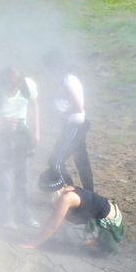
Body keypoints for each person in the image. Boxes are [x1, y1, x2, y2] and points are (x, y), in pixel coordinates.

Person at [0, 67, 40, 230]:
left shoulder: (28, 86)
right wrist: (2, 125)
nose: (12, 92)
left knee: (23, 178)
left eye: (15, 89)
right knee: (4, 180)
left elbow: (34, 105)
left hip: (22, 133)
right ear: (2, 84)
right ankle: (6, 217)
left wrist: (36, 130)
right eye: (9, 90)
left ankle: (24, 214)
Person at [20, 168, 124, 252]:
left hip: (109, 225)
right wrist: (38, 237)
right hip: (106, 217)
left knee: (69, 236)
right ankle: (96, 236)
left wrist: (35, 243)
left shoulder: (67, 198)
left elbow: (52, 226)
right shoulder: (67, 188)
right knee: (69, 228)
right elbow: (53, 218)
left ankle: (105, 241)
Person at [42, 50, 94, 192]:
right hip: (77, 126)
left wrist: (59, 119)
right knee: (82, 162)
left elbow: (78, 106)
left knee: (55, 162)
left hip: (74, 127)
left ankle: (71, 193)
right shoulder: (70, 78)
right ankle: (89, 194)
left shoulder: (67, 80)